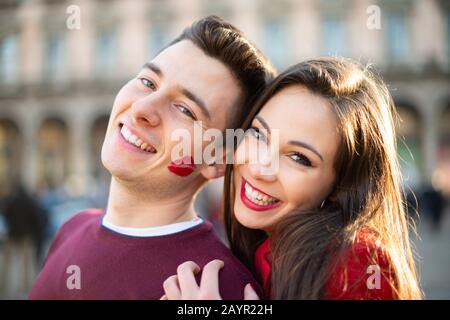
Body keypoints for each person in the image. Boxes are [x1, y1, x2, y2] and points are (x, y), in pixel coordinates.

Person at [29, 16, 275, 299]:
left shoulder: (217, 288)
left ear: (218, 161)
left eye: (185, 110)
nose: (142, 108)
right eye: (148, 81)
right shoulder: (72, 228)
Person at [162, 58, 422, 300]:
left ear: (340, 185)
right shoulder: (267, 251)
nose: (258, 168)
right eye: (259, 135)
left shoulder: (357, 261)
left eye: (298, 158)